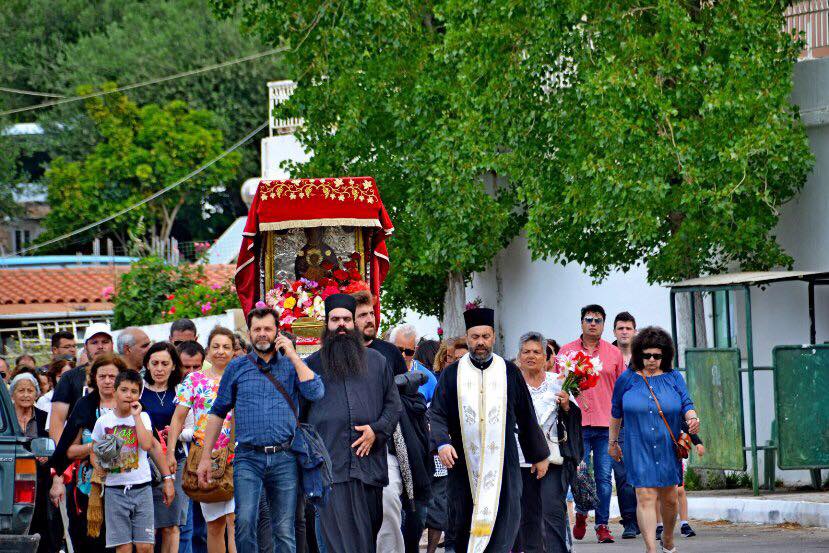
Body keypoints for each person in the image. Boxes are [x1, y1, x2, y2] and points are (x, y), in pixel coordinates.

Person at [198, 307, 324, 553]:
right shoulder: (236, 367)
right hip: (248, 457)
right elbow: (217, 412)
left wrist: (293, 355)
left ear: (277, 332)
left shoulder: (291, 365)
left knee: (284, 529)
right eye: (257, 329)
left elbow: (316, 392)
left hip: (285, 456)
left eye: (268, 329)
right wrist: (205, 457)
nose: (262, 334)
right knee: (245, 523)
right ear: (249, 333)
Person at [429, 307, 550, 552]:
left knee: (504, 522)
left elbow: (526, 415)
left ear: (493, 337)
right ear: (467, 338)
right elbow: (438, 413)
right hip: (463, 464)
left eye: (485, 336)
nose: (480, 342)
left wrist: (539, 455)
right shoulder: (452, 374)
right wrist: (442, 443)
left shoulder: (509, 372)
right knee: (463, 523)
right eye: (475, 337)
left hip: (504, 463)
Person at [303, 293, 402, 553]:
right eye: (335, 319)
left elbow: (393, 406)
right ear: (326, 324)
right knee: (340, 544)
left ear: (354, 324)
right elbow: (300, 419)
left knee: (366, 542)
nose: (341, 325)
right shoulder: (311, 366)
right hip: (331, 470)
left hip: (369, 468)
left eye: (346, 319)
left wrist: (376, 431)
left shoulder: (377, 362)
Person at [609, 327, 700, 553]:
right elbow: (616, 412)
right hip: (637, 445)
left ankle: (667, 538)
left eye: (657, 356)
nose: (651, 360)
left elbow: (686, 404)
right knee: (645, 496)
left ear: (665, 355)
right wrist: (613, 443)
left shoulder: (674, 377)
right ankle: (650, 548)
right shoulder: (626, 379)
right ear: (638, 354)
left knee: (670, 498)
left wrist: (693, 418)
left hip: (667, 446)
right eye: (647, 355)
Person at [351, 293, 430, 553]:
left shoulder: (389, 353)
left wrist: (380, 425)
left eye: (371, 313)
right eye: (362, 315)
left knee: (388, 506)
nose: (369, 319)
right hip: (349, 445)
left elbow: (404, 398)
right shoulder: (341, 352)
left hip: (387, 444)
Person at [558, 304, 626, 544]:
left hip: (606, 425)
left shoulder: (613, 353)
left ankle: (602, 525)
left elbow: (622, 389)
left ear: (604, 325)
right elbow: (558, 384)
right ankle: (581, 513)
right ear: (581, 322)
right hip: (576, 425)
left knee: (604, 478)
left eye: (598, 320)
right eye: (589, 319)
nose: (593, 324)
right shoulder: (567, 352)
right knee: (579, 475)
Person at [48, 353, 128, 553]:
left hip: (126, 487)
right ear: (94, 378)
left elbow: (148, 443)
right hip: (89, 487)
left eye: (112, 376)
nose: (107, 381)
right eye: (102, 376)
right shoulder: (84, 405)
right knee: (91, 542)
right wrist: (97, 446)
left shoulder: (132, 405)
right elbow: (68, 450)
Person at [511, 332, 582, 553]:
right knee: (528, 517)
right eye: (526, 352)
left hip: (552, 459)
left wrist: (567, 406)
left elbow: (575, 418)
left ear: (545, 357)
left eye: (536, 352)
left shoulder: (558, 382)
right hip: (521, 459)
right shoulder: (510, 384)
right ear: (519, 356)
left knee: (553, 512)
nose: (531, 356)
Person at [167, 327, 237, 553]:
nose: (221, 351)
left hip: (240, 456)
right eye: (216, 346)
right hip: (207, 459)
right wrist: (170, 452)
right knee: (214, 525)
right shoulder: (194, 380)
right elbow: (178, 419)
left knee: (236, 522)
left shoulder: (242, 377)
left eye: (226, 347)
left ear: (234, 351)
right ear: (207, 351)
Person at [92, 370, 174, 553]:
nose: (129, 395)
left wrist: (136, 416)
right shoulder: (103, 421)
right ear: (115, 391)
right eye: (124, 390)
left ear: (139, 395)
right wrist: (99, 467)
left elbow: (147, 445)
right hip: (115, 490)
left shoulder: (143, 417)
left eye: (134, 391)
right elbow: (94, 451)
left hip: (142, 487)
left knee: (145, 546)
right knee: (123, 548)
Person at [142, 343, 187, 553]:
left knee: (172, 524)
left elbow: (193, 427)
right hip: (145, 464)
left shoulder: (181, 390)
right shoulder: (138, 390)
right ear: (147, 365)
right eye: (155, 363)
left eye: (165, 364)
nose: (159, 369)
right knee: (147, 528)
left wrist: (175, 434)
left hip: (175, 460)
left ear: (173, 366)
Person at [49, 322, 114, 442]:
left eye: (105, 342)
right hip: (80, 449)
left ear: (112, 345)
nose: (100, 346)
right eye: (94, 342)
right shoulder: (69, 378)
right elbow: (57, 423)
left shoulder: (125, 375)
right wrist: (64, 451)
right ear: (85, 347)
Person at [11, 373, 54, 553]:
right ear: (12, 394)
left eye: (30, 390)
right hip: (10, 479)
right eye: (21, 390)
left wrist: (48, 456)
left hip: (40, 480)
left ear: (36, 394)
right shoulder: (5, 419)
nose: (26, 395)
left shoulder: (45, 418)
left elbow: (55, 445)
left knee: (41, 525)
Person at [425, 340, 457, 553]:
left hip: (462, 453)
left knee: (449, 505)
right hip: (438, 454)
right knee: (436, 504)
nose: (453, 362)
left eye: (459, 358)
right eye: (450, 358)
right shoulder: (436, 382)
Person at [175, 340, 205, 553]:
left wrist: (178, 433)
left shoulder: (207, 387)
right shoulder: (173, 390)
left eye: (197, 366)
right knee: (185, 524)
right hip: (181, 463)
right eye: (186, 366)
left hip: (206, 462)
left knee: (203, 527)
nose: (192, 372)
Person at [612, 311, 640, 539]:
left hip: (641, 421)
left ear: (635, 331)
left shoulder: (645, 356)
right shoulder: (606, 355)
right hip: (617, 423)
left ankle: (651, 519)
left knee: (644, 472)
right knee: (622, 475)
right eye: (620, 328)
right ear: (614, 331)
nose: (624, 332)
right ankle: (630, 520)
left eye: (628, 328)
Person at [391, 325, 438, 402]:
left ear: (415, 350)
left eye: (408, 352)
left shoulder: (429, 378)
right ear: (390, 347)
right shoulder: (382, 370)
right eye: (399, 350)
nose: (403, 355)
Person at [36, 357, 75, 428]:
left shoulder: (80, 397)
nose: (65, 379)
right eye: (60, 376)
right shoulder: (44, 400)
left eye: (69, 375)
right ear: (53, 378)